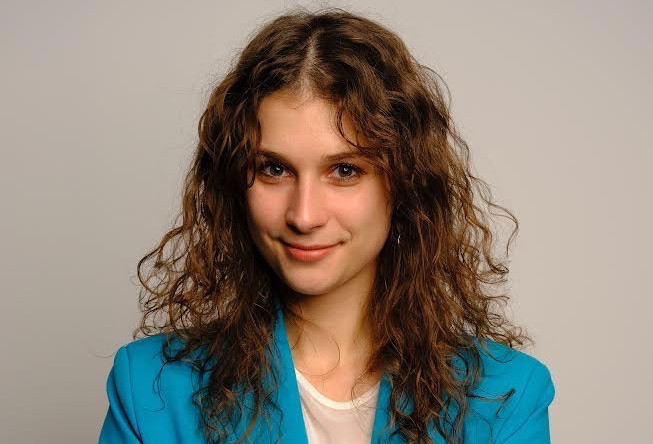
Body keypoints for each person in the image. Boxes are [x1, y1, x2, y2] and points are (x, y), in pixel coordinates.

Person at [98, 7, 555, 444]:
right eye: (274, 169)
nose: (304, 215)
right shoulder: (151, 389)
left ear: (404, 185)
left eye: (345, 171)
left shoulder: (506, 398)